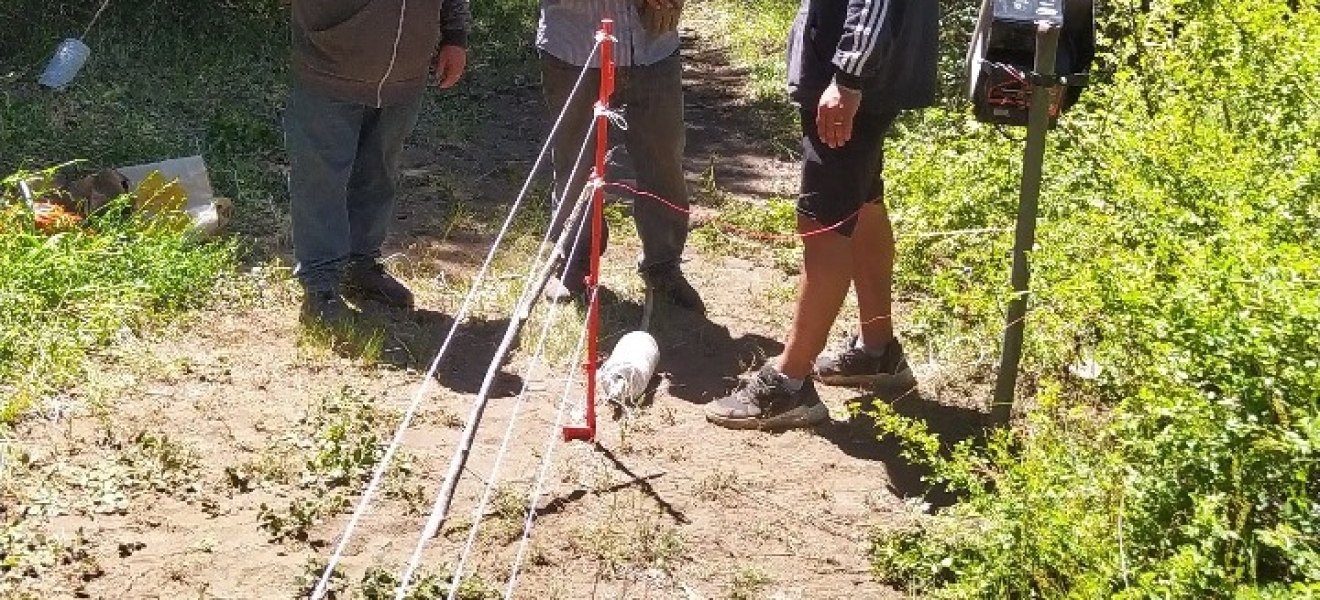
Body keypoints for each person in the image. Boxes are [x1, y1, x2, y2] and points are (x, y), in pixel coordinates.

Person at [705, 0, 939, 429]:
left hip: (855, 79)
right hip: (864, 74)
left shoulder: (853, 77)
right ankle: (877, 351)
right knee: (864, 202)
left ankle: (789, 384)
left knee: (824, 219)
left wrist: (849, 77)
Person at [285, 0, 470, 326]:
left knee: (379, 171)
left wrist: (455, 35)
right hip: (329, 62)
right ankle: (320, 285)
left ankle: (361, 267)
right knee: (320, 178)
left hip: (405, 72)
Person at [537, 0, 704, 314]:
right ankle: (574, 264)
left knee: (664, 156)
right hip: (573, 47)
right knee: (575, 161)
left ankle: (664, 265)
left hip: (654, 47)